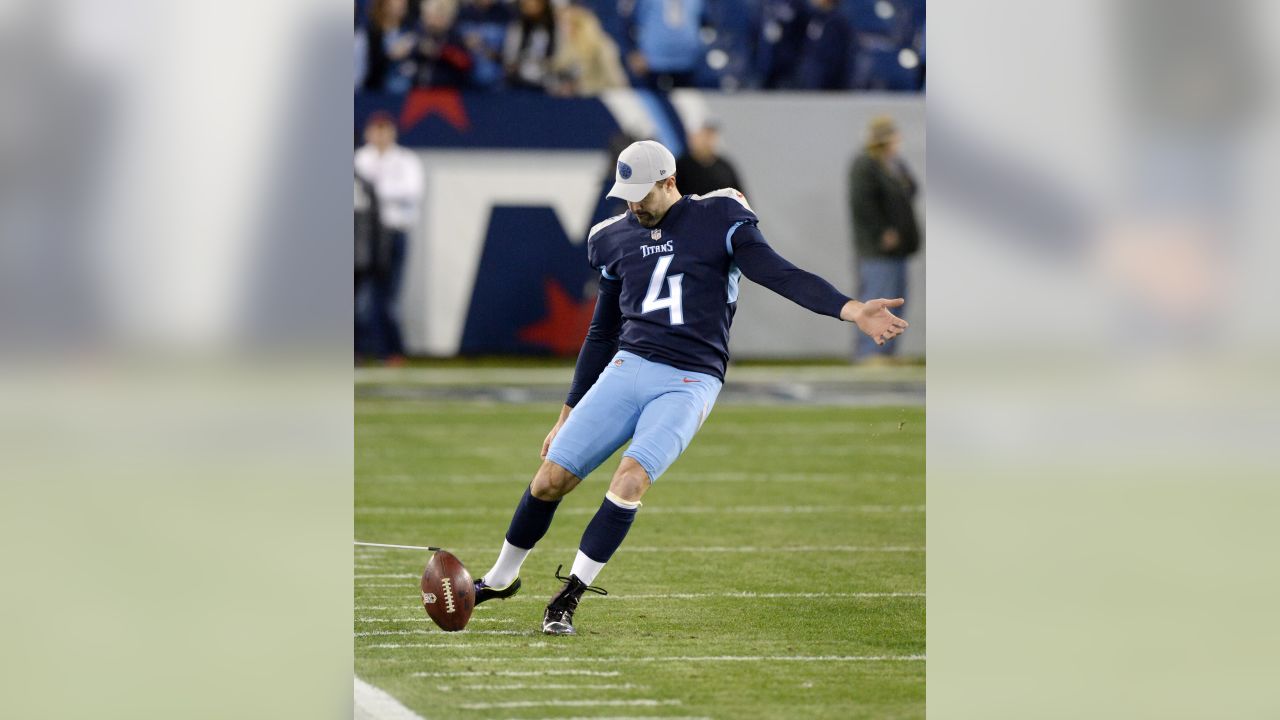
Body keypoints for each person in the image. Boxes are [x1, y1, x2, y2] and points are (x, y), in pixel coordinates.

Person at [471, 140, 908, 635]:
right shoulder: (612, 237)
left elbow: (778, 273)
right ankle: (501, 577)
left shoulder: (720, 217)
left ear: (669, 181)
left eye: (642, 193)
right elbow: (601, 331)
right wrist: (567, 410)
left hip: (689, 378)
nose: (633, 205)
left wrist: (851, 310)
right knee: (549, 479)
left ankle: (569, 595)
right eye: (626, 195)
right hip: (627, 367)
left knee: (630, 479)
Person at [848, 115, 920, 363]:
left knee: (896, 302)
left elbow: (911, 189)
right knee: (878, 298)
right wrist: (882, 232)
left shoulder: (894, 163)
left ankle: (887, 352)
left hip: (899, 247)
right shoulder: (865, 164)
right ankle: (870, 353)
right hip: (877, 249)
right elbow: (864, 204)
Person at [354, 113, 424, 364]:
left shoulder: (405, 160)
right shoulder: (360, 158)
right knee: (356, 296)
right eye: (376, 129)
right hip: (362, 235)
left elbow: (412, 191)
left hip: (393, 233)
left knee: (387, 296)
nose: (380, 135)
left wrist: (374, 189)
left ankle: (391, 351)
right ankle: (356, 351)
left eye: (385, 129)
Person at [619, 0, 705, 91]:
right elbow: (624, 20)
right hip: (652, 63)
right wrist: (631, 51)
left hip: (689, 63)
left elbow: (709, 21)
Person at [549, 5, 628, 96]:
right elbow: (557, 66)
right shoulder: (570, 47)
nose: (562, 28)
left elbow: (615, 77)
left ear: (578, 25)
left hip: (602, 98)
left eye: (565, 24)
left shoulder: (601, 46)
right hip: (580, 99)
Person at [674, 119, 745, 198]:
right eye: (704, 135)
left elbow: (740, 199)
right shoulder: (680, 167)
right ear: (692, 137)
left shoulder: (725, 168)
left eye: (711, 135)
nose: (707, 140)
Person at [791, 0, 853, 90]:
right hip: (808, 76)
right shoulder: (813, 17)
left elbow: (842, 58)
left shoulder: (839, 22)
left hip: (828, 82)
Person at [412, 0, 473, 88]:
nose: (427, 19)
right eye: (425, 15)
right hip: (420, 90)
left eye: (430, 15)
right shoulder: (418, 33)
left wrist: (440, 51)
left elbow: (465, 63)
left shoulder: (455, 35)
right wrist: (418, 49)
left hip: (449, 90)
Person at [503, 0, 557, 90]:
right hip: (520, 78)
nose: (529, 8)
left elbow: (561, 56)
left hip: (549, 77)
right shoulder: (517, 27)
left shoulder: (555, 28)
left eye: (533, 4)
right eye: (525, 5)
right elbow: (509, 57)